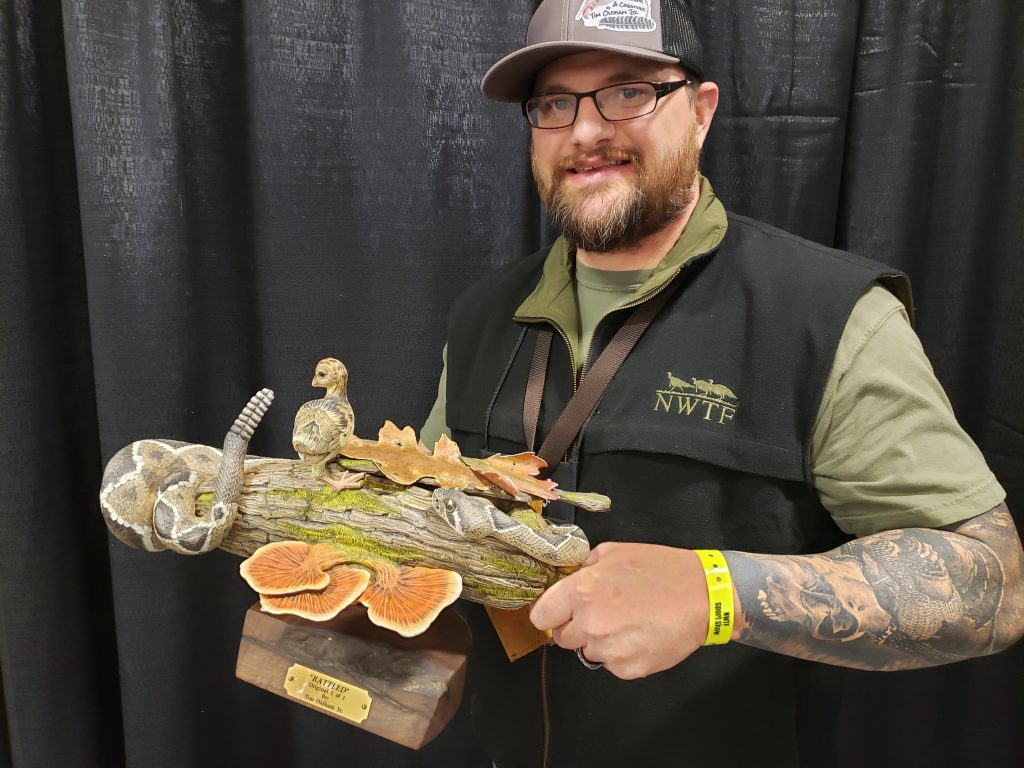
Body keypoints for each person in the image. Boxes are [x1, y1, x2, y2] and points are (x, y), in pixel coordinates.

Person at [420, 1, 1024, 765]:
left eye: (629, 92)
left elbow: (992, 587)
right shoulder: (481, 315)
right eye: (553, 103)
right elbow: (430, 525)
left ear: (701, 112)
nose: (584, 131)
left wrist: (716, 593)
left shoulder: (826, 315)